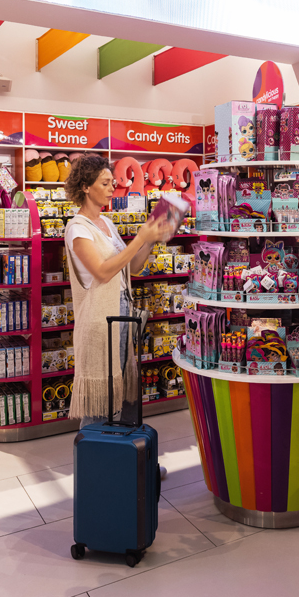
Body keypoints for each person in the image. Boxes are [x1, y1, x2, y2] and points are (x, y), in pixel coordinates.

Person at [63, 154, 172, 424]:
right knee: (99, 396)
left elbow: (131, 267)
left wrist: (150, 239)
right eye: (105, 182)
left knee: (116, 389)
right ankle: (94, 456)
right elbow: (102, 271)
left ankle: (114, 453)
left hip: (122, 314)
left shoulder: (108, 224)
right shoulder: (77, 229)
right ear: (85, 187)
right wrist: (139, 239)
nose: (113, 187)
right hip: (100, 320)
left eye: (113, 181)